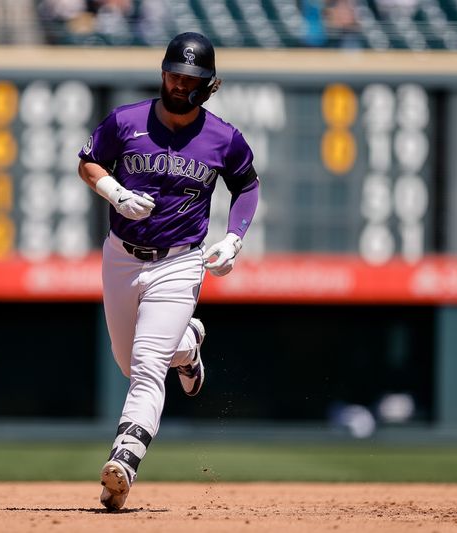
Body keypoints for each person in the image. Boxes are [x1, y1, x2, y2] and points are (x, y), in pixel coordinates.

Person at [77, 31, 260, 511]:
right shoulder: (125, 121)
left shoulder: (224, 137)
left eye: (192, 78)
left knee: (145, 369)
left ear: (209, 83)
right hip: (121, 255)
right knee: (128, 361)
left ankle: (124, 461)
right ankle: (188, 347)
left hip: (180, 261)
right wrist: (115, 192)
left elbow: (247, 187)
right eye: (175, 74)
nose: (181, 84)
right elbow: (89, 164)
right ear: (163, 72)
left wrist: (234, 238)